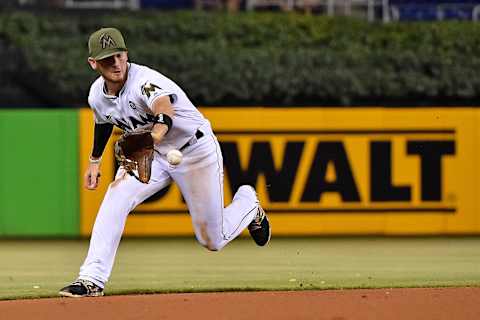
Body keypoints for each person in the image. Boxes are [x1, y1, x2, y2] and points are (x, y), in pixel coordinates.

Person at [59, 27, 270, 298]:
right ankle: (91, 279)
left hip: (194, 150)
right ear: (93, 63)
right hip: (155, 156)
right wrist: (94, 161)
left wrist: (154, 136)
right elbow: (102, 122)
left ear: (126, 54)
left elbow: (163, 107)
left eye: (119, 55)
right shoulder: (96, 95)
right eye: (107, 58)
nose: (115, 63)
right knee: (116, 197)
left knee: (212, 240)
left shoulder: (144, 81)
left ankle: (249, 203)